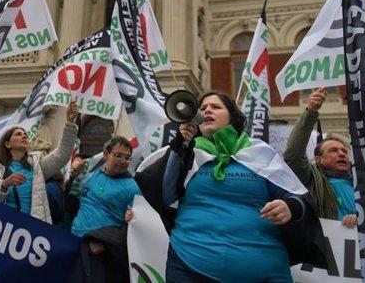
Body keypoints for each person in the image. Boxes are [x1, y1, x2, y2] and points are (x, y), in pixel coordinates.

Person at [136, 91, 323, 283]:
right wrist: (180, 146)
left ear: (232, 116)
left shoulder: (259, 152)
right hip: (189, 266)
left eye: (215, 107)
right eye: (202, 108)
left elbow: (297, 196)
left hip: (263, 270)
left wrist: (290, 207)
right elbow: (165, 197)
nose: (207, 110)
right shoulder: (187, 152)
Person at [0, 99, 78, 223]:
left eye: (25, 135)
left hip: (32, 230)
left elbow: (62, 154)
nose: (24, 136)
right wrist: (4, 185)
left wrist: (70, 123)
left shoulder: (37, 166)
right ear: (7, 144)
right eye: (18, 134)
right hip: (2, 226)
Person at [68, 136, 140, 283]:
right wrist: (71, 179)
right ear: (106, 154)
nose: (123, 161)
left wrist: (104, 244)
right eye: (118, 155)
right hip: (73, 242)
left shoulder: (133, 188)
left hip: (97, 253)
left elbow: (135, 227)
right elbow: (70, 204)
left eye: (127, 158)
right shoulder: (90, 176)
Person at [284, 88, 356, 228]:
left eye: (344, 151)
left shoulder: (363, 183)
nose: (341, 154)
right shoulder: (311, 179)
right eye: (333, 151)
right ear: (319, 160)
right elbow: (293, 154)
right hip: (327, 246)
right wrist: (310, 112)